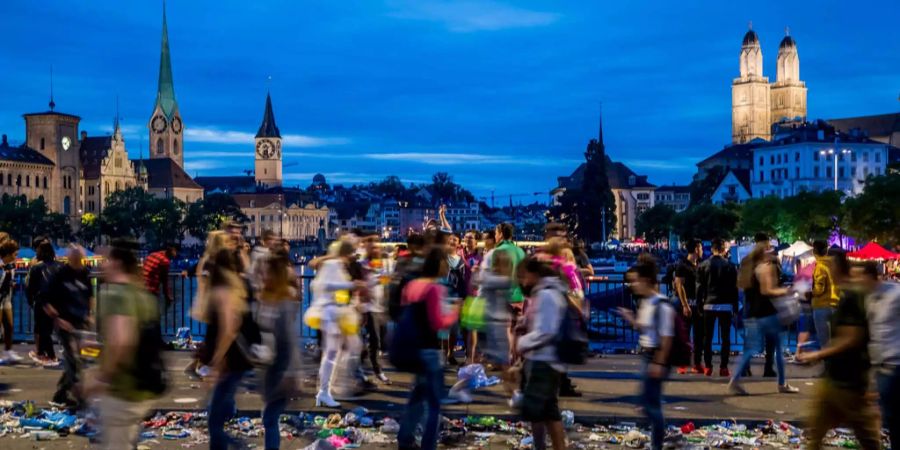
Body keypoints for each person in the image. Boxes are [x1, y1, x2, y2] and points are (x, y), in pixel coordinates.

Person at [798, 252, 880, 450]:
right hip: (838, 380)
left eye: (828, 265)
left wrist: (818, 354)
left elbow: (850, 338)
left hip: (848, 383)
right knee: (816, 434)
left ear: (836, 267)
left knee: (867, 438)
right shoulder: (847, 295)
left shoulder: (852, 298)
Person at [85, 239, 161, 450]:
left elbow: (122, 340)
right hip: (143, 386)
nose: (103, 265)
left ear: (117, 263)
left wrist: (102, 377)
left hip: (122, 388)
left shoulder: (115, 294)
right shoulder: (143, 294)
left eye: (107, 260)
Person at [397, 247, 459, 450]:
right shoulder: (435, 289)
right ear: (439, 264)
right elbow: (438, 323)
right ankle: (428, 445)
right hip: (430, 351)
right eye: (445, 262)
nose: (448, 266)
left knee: (416, 398)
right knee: (434, 405)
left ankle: (404, 439)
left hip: (412, 349)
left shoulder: (412, 285)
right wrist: (455, 313)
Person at [729, 235, 799, 395]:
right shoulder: (765, 267)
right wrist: (786, 290)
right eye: (770, 248)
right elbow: (767, 290)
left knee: (751, 348)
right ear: (765, 251)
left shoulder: (748, 268)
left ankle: (735, 379)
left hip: (752, 312)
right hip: (769, 313)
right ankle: (782, 383)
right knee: (779, 349)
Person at [618, 256, 673, 450]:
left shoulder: (661, 304)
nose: (632, 285)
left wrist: (659, 362)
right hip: (647, 355)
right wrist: (631, 319)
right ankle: (656, 441)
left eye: (635, 281)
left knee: (651, 405)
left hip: (655, 356)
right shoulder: (647, 302)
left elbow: (667, 337)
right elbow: (643, 327)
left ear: (646, 281)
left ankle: (657, 444)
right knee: (647, 403)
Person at [516, 257, 568, 450]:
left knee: (537, 413)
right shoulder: (550, 292)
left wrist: (522, 342)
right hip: (548, 360)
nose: (522, 282)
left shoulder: (545, 295)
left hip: (542, 361)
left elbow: (546, 331)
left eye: (523, 276)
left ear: (533, 274)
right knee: (549, 412)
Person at [204, 248, 254, 450]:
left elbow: (229, 327)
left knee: (214, 421)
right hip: (236, 359)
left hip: (230, 360)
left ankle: (239, 446)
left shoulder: (223, 291)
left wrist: (218, 359)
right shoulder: (235, 287)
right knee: (218, 414)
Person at [310, 241, 366, 407]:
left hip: (337, 312)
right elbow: (322, 285)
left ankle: (328, 388)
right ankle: (326, 390)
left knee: (341, 350)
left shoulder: (336, 264)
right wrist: (350, 284)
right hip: (331, 313)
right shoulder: (334, 265)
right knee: (333, 353)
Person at [257, 248, 301, 450]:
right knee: (268, 417)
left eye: (266, 271)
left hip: (280, 368)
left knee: (269, 417)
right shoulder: (269, 299)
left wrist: (291, 373)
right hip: (272, 367)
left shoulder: (281, 303)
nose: (262, 274)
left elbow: (289, 340)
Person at [858, 261, 900, 450]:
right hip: (880, 364)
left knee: (891, 415)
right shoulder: (867, 298)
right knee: (886, 415)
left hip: (895, 362)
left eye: (860, 277)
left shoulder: (895, 294)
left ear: (871, 277)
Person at [45, 245, 93, 409]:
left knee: (81, 358)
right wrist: (57, 318)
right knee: (72, 359)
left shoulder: (85, 273)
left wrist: (90, 314)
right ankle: (81, 397)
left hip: (80, 321)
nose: (79, 262)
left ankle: (61, 393)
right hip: (63, 321)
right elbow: (45, 299)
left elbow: (90, 295)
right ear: (70, 258)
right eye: (76, 259)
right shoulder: (60, 274)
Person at [697, 238, 738, 377]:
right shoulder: (730, 266)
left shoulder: (703, 265)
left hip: (709, 303)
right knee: (726, 338)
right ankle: (724, 367)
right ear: (723, 249)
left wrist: (699, 305)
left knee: (707, 337)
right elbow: (734, 288)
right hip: (725, 304)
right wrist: (735, 307)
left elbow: (700, 288)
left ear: (712, 249)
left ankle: (708, 366)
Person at [25, 238, 60, 365]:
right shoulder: (60, 266)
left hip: (42, 301)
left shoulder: (36, 268)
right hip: (57, 301)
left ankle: (50, 355)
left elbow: (30, 287)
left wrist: (30, 301)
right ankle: (46, 354)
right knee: (49, 329)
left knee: (42, 329)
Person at [674, 240, 703, 374]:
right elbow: (679, 285)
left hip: (698, 305)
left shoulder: (700, 265)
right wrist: (685, 305)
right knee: (684, 335)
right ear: (696, 249)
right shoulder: (682, 266)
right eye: (701, 247)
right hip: (686, 305)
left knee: (699, 336)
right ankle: (682, 363)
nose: (702, 250)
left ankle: (697, 363)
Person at [811, 240, 838, 349]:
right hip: (835, 305)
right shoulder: (834, 265)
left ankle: (828, 364)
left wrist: (809, 293)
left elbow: (819, 289)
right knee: (834, 342)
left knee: (825, 343)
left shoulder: (820, 266)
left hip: (822, 306)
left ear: (814, 251)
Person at [0, 238, 20, 363]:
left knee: (9, 325)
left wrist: (11, 281)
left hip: (6, 297)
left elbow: (8, 281)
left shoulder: (9, 266)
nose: (16, 257)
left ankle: (8, 351)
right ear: (7, 254)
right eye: (14, 254)